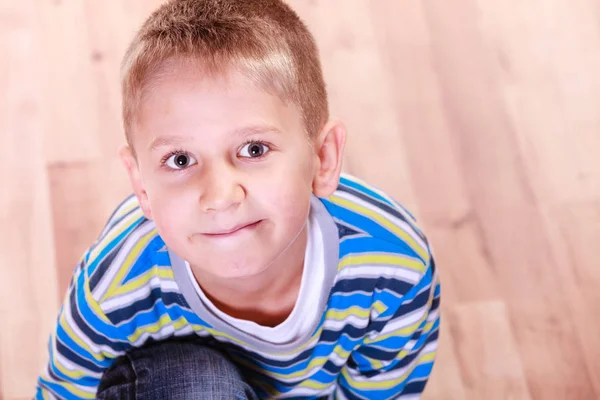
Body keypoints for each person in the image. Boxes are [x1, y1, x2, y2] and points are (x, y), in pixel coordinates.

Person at [36, 0, 440, 398]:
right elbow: (65, 391)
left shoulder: (394, 268)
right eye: (180, 159)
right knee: (198, 385)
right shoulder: (113, 286)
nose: (220, 196)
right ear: (141, 185)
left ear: (323, 158)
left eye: (253, 149)